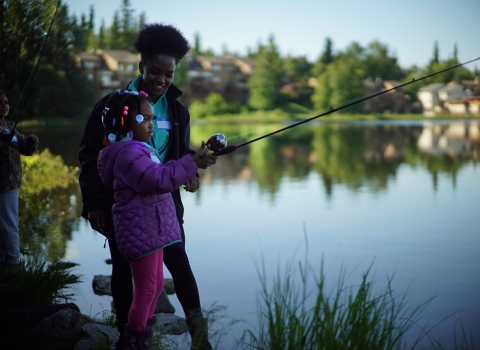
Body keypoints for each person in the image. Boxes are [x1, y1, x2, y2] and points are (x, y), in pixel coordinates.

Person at [78, 23, 214, 349]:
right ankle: (128, 335)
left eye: (169, 74)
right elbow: (89, 154)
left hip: (165, 207)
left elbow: (181, 154)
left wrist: (191, 175)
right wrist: (94, 203)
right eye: (156, 71)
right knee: (123, 271)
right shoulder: (114, 105)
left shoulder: (178, 110)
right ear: (142, 66)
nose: (162, 80)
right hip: (122, 206)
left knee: (179, 265)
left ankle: (200, 337)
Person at [97, 90, 217, 349]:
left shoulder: (139, 149)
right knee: (145, 289)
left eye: (153, 118)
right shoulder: (129, 154)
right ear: (124, 122)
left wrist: (189, 166)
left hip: (152, 231)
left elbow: (159, 174)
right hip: (143, 232)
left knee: (157, 283)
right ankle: (135, 342)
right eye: (144, 118)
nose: (152, 124)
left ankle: (143, 338)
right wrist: (190, 164)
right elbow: (157, 180)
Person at [0, 89, 38, 272]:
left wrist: (30, 142)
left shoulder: (9, 128)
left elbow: (25, 148)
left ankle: (13, 262)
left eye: (6, 103)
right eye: (0, 103)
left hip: (10, 184)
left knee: (10, 222)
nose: (4, 107)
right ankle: (10, 262)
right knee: (6, 223)